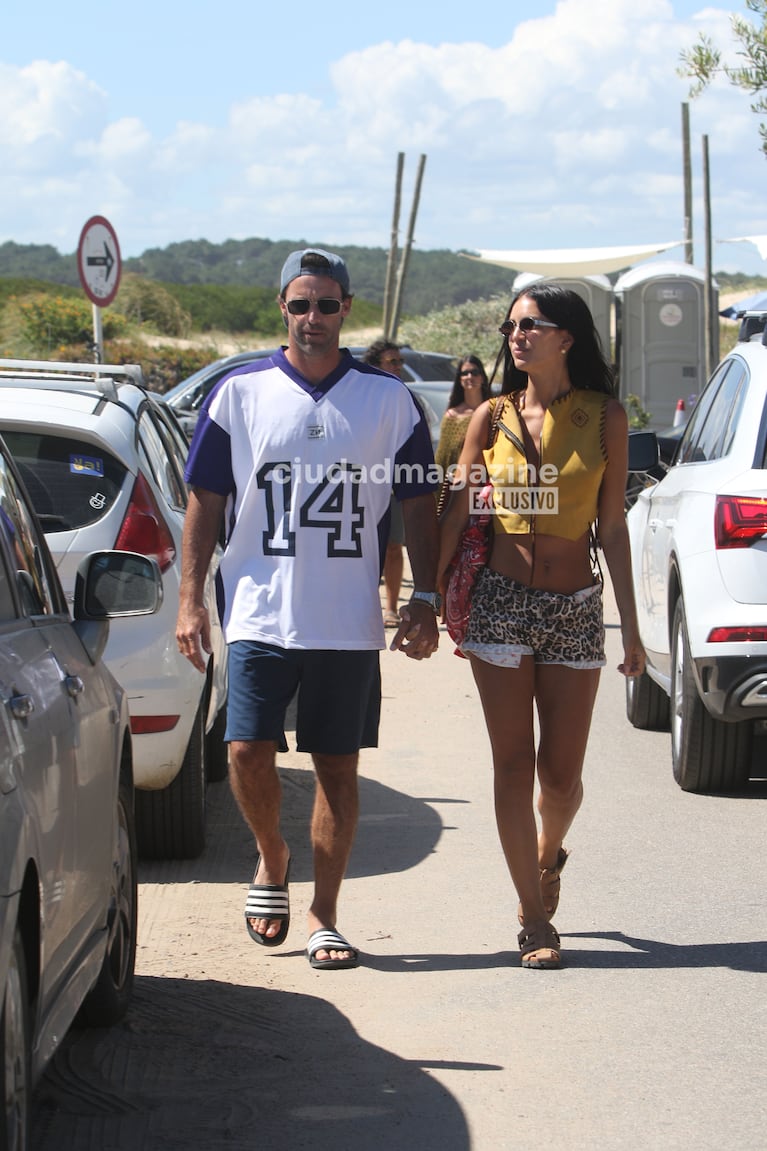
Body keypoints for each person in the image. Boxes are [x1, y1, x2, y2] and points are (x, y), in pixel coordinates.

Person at [176, 248, 440, 971]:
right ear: (282, 310)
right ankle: (271, 856)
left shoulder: (389, 400)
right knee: (243, 749)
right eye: (300, 305)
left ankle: (325, 913)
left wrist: (425, 595)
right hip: (260, 608)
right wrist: (190, 598)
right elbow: (206, 500)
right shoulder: (238, 393)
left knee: (336, 768)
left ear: (346, 310)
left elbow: (420, 502)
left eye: (326, 305)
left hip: (346, 620)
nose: (313, 318)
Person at [437, 283, 645, 971]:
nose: (516, 335)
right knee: (511, 763)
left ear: (568, 338)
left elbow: (611, 527)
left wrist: (633, 629)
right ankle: (531, 918)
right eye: (511, 326)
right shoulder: (488, 416)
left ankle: (548, 851)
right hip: (499, 599)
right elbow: (458, 510)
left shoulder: (602, 416)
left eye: (532, 324)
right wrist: (427, 594)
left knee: (559, 778)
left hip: (575, 605)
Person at [362, 339, 408, 628]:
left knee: (394, 547)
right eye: (392, 362)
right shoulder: (362, 398)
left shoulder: (406, 398)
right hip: (364, 488)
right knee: (365, 549)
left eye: (400, 362)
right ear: (376, 366)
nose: (399, 367)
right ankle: (365, 606)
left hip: (396, 487)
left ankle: (390, 607)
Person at [434, 354, 491, 488]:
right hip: (453, 484)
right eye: (465, 373)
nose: (470, 377)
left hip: (484, 485)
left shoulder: (493, 412)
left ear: (482, 377)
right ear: (459, 379)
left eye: (474, 372)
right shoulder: (451, 416)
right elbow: (443, 457)